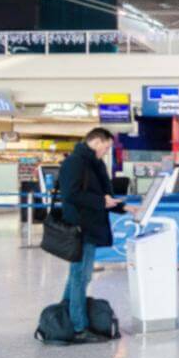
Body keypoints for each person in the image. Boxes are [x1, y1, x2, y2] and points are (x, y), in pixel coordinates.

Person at [57, 127, 133, 343]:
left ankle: (66, 317)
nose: (106, 151)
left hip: (90, 226)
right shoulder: (75, 163)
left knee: (78, 275)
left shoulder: (94, 164)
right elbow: (71, 194)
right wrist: (101, 202)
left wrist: (126, 208)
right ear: (96, 142)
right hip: (80, 228)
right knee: (80, 276)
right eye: (106, 147)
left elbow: (102, 196)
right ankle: (79, 327)